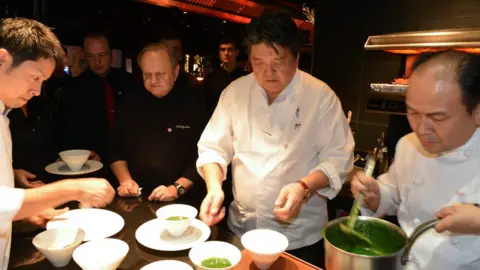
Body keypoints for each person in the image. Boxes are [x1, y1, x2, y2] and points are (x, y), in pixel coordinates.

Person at [196, 12, 354, 268]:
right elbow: (213, 148)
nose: (268, 73)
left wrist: (303, 187)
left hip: (299, 239)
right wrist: (214, 188)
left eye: (278, 63)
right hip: (242, 231)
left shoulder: (320, 97)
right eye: (258, 63)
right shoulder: (235, 93)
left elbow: (339, 159)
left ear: (297, 57)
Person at [0, 17, 115, 269]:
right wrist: (72, 188)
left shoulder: (3, 115)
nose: (38, 91)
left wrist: (27, 211)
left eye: (43, 81)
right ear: (2, 59)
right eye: (34, 77)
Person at [351, 50, 480, 270]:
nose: (421, 129)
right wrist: (377, 195)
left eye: (438, 117)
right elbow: (397, 195)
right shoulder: (408, 145)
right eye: (412, 113)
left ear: (477, 111)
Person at [110, 42, 206, 203]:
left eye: (160, 74)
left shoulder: (194, 103)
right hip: (138, 196)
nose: (153, 80)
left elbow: (202, 155)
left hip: (184, 197)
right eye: (147, 75)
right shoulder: (129, 102)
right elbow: (114, 148)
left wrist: (177, 188)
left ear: (175, 73)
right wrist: (125, 181)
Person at [55, 32, 136, 163]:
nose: (97, 62)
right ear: (84, 57)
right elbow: (69, 130)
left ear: (111, 53)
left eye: (102, 55)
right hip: (92, 159)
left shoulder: (128, 81)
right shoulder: (74, 88)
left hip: (128, 157)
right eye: (91, 56)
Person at [203, 39, 248, 116]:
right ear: (219, 53)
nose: (226, 53)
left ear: (237, 52)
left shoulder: (245, 77)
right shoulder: (210, 79)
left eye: (230, 50)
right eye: (223, 50)